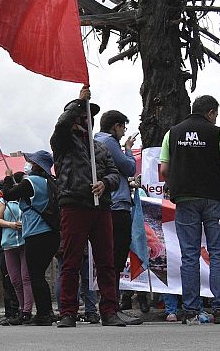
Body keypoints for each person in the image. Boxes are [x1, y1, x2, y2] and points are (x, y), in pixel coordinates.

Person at [160, 95, 220, 324]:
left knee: (189, 255)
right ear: (210, 113)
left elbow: (164, 170)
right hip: (214, 199)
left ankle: (191, 310)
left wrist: (177, 184)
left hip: (185, 199)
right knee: (219, 253)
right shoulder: (217, 133)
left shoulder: (172, 133)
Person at [50, 87, 124, 328]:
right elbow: (61, 125)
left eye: (89, 116)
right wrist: (79, 102)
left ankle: (109, 311)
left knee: (106, 261)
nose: (86, 119)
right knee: (71, 261)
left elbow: (114, 174)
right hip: (74, 205)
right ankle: (67, 312)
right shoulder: (62, 142)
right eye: (82, 115)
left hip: (101, 208)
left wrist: (105, 183)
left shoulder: (100, 148)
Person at [94, 110, 143, 325]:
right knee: (116, 258)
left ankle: (109, 306)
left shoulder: (95, 140)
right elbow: (129, 167)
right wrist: (129, 149)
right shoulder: (109, 142)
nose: (123, 133)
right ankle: (112, 307)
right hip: (118, 205)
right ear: (116, 126)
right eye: (123, 128)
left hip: (105, 205)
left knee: (108, 259)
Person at [0, 151, 59, 326]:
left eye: (31, 162)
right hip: (51, 233)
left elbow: (8, 194)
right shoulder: (49, 182)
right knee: (39, 275)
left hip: (36, 233)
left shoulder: (31, 181)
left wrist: (8, 177)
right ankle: (47, 312)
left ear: (37, 165)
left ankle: (43, 315)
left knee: (35, 276)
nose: (28, 164)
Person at [0, 175, 33, 325]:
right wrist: (11, 225)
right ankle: (21, 308)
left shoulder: (27, 199)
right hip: (8, 243)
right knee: (15, 279)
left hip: (24, 241)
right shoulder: (4, 201)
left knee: (26, 277)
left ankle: (27, 311)